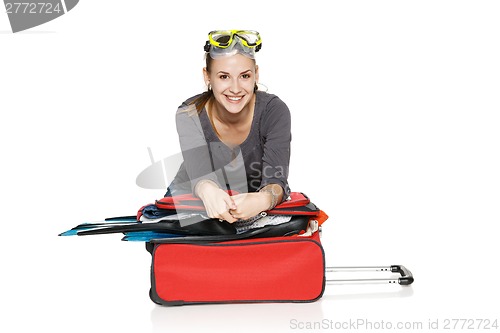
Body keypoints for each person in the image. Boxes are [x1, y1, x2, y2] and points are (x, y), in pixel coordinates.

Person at [166, 30, 292, 223]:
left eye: (244, 76)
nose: (235, 88)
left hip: (247, 206)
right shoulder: (189, 113)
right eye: (224, 77)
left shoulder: (274, 111)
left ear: (256, 74)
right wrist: (207, 189)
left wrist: (263, 199)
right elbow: (200, 173)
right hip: (190, 203)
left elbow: (276, 180)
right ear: (207, 77)